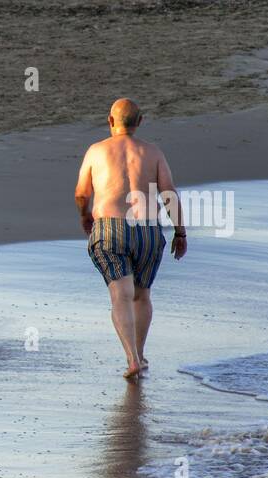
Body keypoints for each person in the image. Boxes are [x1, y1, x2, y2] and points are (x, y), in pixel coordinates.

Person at [74, 98, 187, 380]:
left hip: (110, 227)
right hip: (147, 228)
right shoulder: (153, 152)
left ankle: (132, 359)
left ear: (110, 121)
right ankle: (140, 353)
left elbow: (81, 193)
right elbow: (169, 193)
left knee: (120, 295)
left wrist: (85, 215)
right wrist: (180, 231)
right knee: (141, 294)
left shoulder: (97, 151)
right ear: (140, 121)